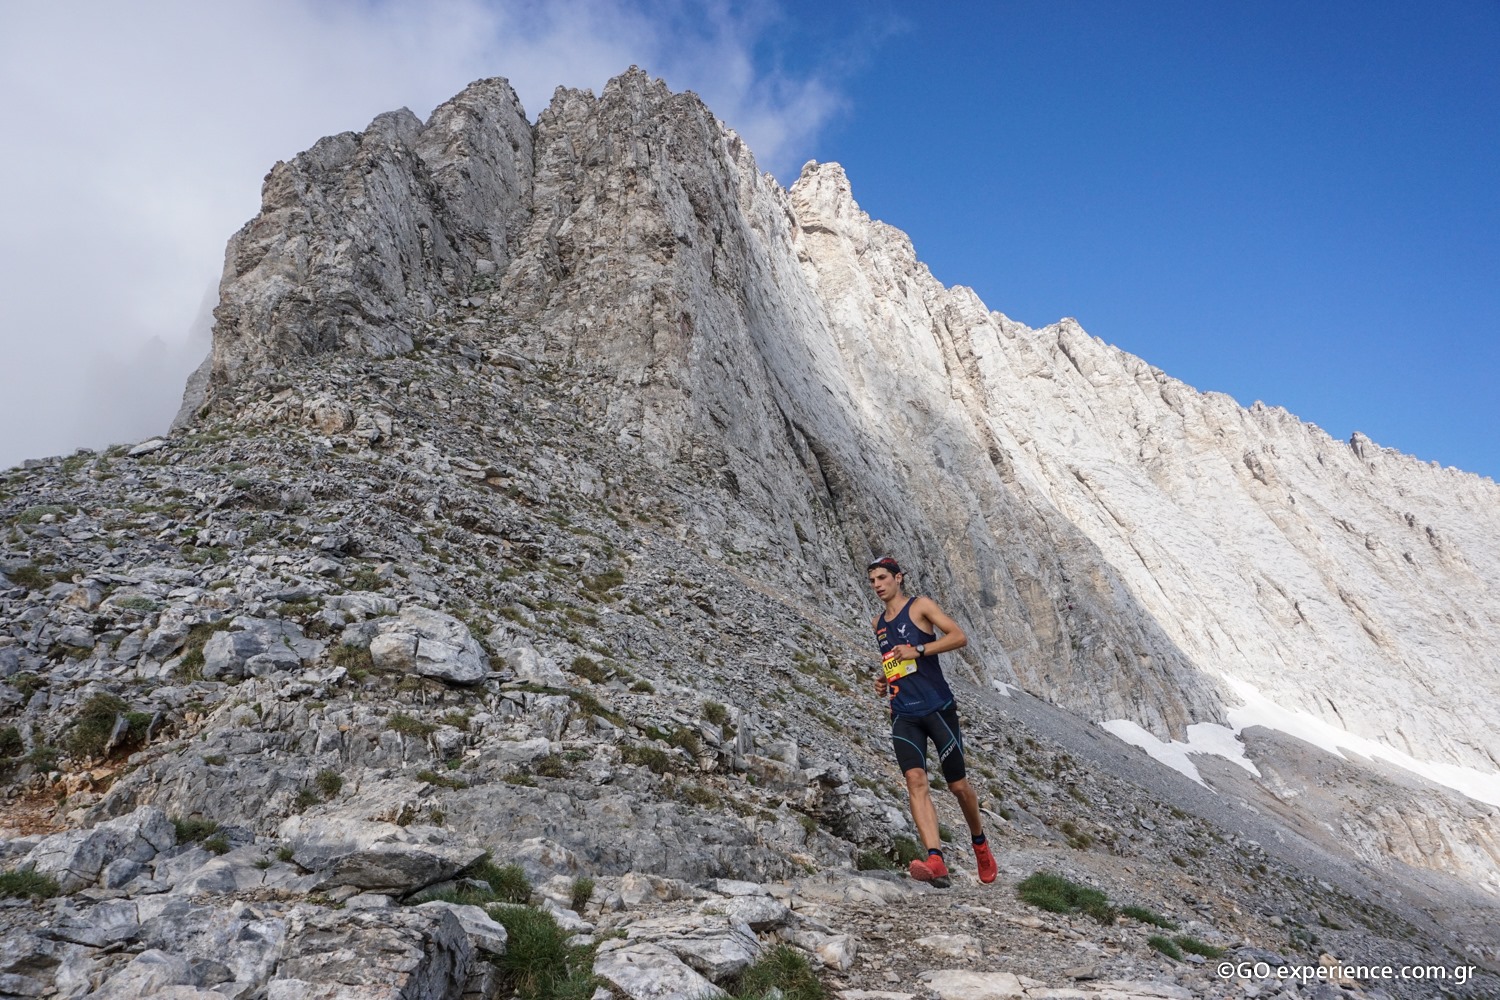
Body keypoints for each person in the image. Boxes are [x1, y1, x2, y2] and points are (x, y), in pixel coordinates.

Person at [867, 556, 997, 887]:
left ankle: (979, 842)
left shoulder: (920, 606)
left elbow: (958, 637)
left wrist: (920, 650)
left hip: (938, 707)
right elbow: (894, 662)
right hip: (903, 713)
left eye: (883, 578)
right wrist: (884, 680)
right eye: (873, 581)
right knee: (915, 780)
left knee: (957, 786)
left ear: (898, 578)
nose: (878, 585)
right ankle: (935, 859)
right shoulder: (877, 623)